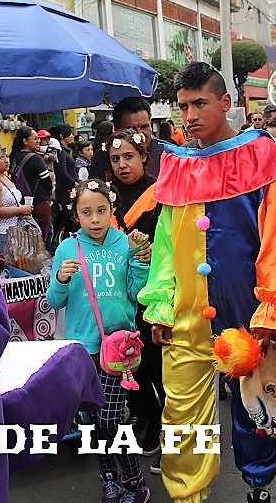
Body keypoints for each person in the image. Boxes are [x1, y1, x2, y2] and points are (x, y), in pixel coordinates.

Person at [138, 62, 276, 503]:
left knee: (255, 408)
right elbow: (166, 244)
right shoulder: (176, 163)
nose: (190, 115)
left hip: (246, 314)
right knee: (181, 413)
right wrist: (160, 303)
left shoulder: (260, 153)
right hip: (186, 316)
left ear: (226, 102)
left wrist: (275, 308)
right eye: (183, 107)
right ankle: (186, 493)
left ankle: (259, 487)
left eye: (200, 103)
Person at [46, 178, 153, 503]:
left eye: (101, 211)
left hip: (118, 348)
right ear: (75, 214)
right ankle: (111, 478)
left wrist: (140, 263)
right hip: (82, 349)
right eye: (86, 212)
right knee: (92, 422)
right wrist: (61, 279)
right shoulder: (67, 249)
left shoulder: (125, 244)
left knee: (110, 418)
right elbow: (54, 301)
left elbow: (136, 294)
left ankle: (135, 480)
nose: (94, 219)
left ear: (111, 210)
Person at [106, 129, 165, 472]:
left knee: (159, 370)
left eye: (129, 156)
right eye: (115, 159)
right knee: (128, 369)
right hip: (118, 298)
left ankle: (170, 434)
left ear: (143, 157)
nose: (122, 165)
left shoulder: (161, 194)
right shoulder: (105, 199)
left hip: (154, 295)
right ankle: (151, 423)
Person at [91, 99, 163, 179]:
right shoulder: (101, 159)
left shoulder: (168, 154)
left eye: (144, 127)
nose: (139, 134)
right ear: (117, 129)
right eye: (131, 129)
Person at [0, 142, 34, 253]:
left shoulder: (5, 177)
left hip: (15, 231)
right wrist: (20, 210)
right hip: (1, 234)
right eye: (1, 158)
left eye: (7, 156)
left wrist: (23, 210)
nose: (6, 160)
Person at [11, 126, 54, 242]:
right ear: (25, 141)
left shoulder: (13, 158)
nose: (38, 141)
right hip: (40, 203)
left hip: (21, 206)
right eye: (35, 139)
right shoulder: (36, 158)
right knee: (43, 239)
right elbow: (47, 183)